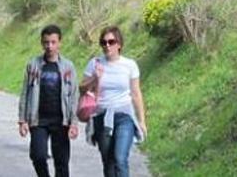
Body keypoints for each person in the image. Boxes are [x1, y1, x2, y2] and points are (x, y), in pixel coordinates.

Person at [80, 26, 146, 177]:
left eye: (111, 42)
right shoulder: (95, 63)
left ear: (119, 44)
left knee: (120, 158)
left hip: (124, 116)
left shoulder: (129, 65)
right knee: (108, 161)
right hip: (102, 116)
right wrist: (95, 77)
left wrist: (142, 121)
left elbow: (136, 93)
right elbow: (82, 88)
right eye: (103, 43)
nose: (107, 46)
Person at [18, 24, 80, 177]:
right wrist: (22, 120)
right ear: (41, 43)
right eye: (46, 42)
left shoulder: (68, 67)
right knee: (38, 156)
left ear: (59, 42)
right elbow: (25, 92)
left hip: (61, 121)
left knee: (62, 162)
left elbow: (74, 95)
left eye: (53, 42)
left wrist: (74, 122)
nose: (49, 46)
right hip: (38, 120)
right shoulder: (33, 65)